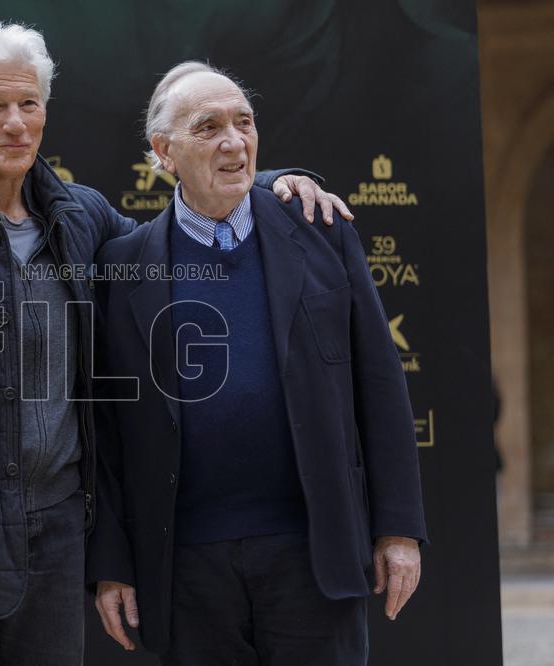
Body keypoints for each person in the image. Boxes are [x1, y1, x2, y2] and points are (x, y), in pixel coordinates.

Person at [0, 23, 348, 665]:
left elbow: (181, 227)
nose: (15, 124)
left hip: (60, 540)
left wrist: (272, 181)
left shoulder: (82, 217)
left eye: (29, 104)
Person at [88, 61, 427, 665]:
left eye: (244, 123)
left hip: (312, 553)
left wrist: (398, 528)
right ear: (163, 153)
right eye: (208, 126)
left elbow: (379, 381)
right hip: (185, 568)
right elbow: (110, 433)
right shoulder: (125, 264)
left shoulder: (321, 228)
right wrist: (112, 564)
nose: (234, 141)